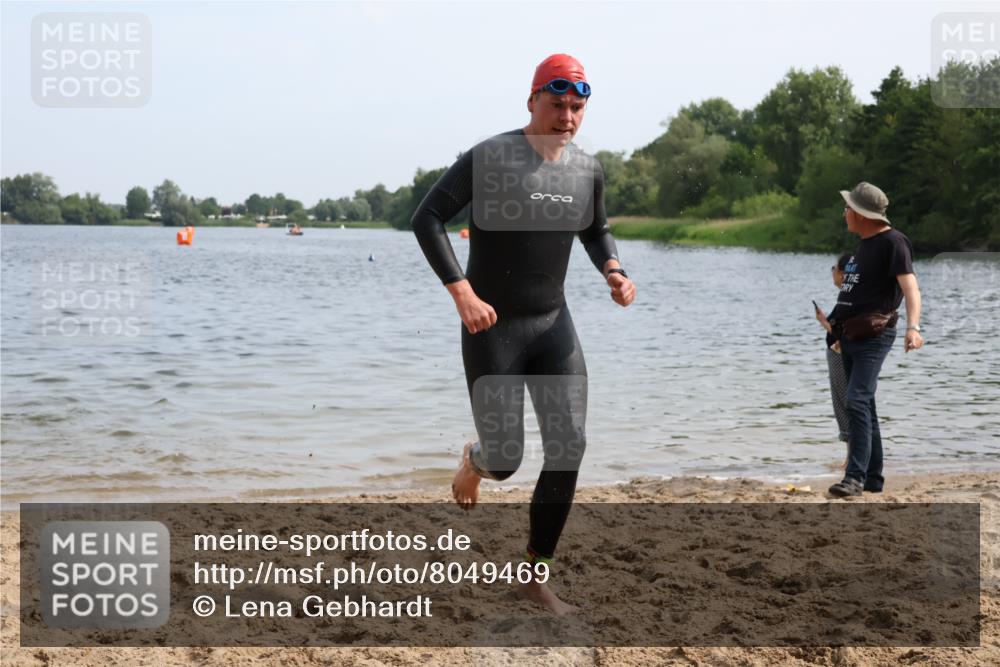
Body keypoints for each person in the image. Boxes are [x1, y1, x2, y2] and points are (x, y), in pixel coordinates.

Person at [411, 54, 636, 614]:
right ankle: (477, 458)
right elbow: (427, 218)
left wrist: (613, 269)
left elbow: (596, 227)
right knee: (507, 459)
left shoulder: (586, 169)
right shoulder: (491, 156)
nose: (567, 116)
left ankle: (534, 577)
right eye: (557, 103)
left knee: (569, 447)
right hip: (492, 325)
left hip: (553, 324)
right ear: (532, 100)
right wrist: (461, 291)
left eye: (577, 107)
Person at [822, 182, 923, 498]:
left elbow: (911, 288)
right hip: (851, 335)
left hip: (874, 336)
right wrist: (834, 329)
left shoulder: (893, 243)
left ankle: (854, 478)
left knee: (856, 399)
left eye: (848, 208)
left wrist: (914, 327)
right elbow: (853, 295)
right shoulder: (865, 245)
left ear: (862, 214)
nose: (845, 212)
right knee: (864, 401)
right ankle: (873, 478)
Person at [815, 251, 853, 465]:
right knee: (847, 401)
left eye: (834, 268)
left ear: (843, 273)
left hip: (840, 355)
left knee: (843, 401)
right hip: (841, 352)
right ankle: (852, 455)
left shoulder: (847, 298)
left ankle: (851, 456)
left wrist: (823, 321)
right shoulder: (850, 298)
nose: (832, 272)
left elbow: (838, 332)